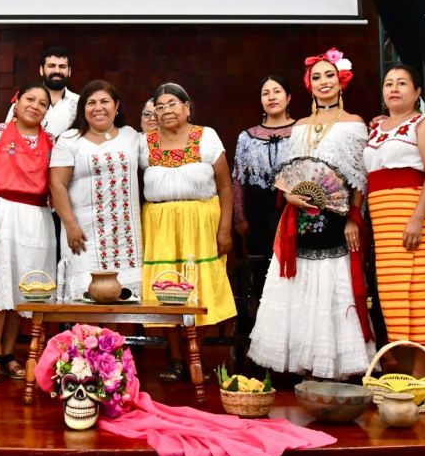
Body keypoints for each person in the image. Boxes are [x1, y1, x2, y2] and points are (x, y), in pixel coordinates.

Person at [248, 48, 375, 380]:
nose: (323, 82)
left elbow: (361, 177)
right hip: (300, 217)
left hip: (338, 217)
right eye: (316, 77)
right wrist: (291, 196)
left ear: (341, 80)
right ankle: (303, 366)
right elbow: (289, 176)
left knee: (333, 285)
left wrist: (353, 217)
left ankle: (335, 368)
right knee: (300, 285)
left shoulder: (354, 125)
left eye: (329, 75)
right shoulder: (301, 126)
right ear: (308, 84)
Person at [139, 83, 235, 382]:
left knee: (199, 286)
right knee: (166, 286)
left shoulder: (206, 136)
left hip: (201, 222)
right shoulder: (144, 142)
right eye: (160, 106)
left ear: (187, 107)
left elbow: (225, 187)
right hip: (160, 225)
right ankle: (177, 358)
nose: (166, 110)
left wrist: (225, 229)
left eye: (172, 104)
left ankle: (198, 355)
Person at [0, 81, 56, 383]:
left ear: (47, 111)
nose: (35, 105)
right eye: (30, 99)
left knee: (25, 285)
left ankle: (8, 352)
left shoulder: (52, 141)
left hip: (36, 217)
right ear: (16, 102)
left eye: (42, 103)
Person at [363, 65, 425, 377]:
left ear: (417, 92)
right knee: (394, 299)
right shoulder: (377, 128)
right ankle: (405, 378)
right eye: (388, 83)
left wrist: (417, 219)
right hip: (384, 223)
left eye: (402, 83)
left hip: (414, 215)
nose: (394, 89)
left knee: (420, 297)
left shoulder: (423, 123)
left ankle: (423, 379)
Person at [50, 80, 144, 301]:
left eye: (105, 101)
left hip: (124, 237)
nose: (98, 107)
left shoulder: (131, 136)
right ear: (83, 109)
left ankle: (115, 339)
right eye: (91, 102)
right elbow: (57, 184)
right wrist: (70, 225)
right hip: (82, 234)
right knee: (83, 299)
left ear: (116, 105)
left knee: (126, 301)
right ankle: (82, 338)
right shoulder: (69, 139)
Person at [232, 75, 295, 258]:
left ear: (288, 97)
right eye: (265, 93)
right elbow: (237, 180)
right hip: (257, 211)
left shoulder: (301, 131)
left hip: (291, 207)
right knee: (261, 267)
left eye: (277, 91)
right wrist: (240, 218)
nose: (271, 97)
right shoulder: (246, 137)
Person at [6, 45, 78, 137]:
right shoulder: (25, 100)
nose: (57, 71)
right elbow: (7, 133)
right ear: (41, 70)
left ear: (69, 71)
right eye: (51, 66)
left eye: (62, 66)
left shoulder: (80, 102)